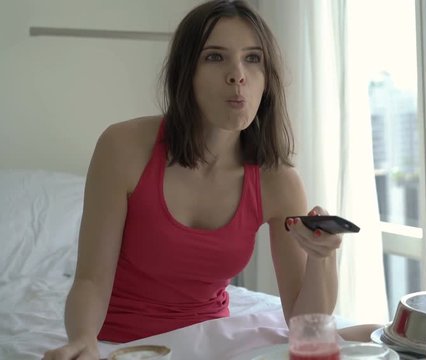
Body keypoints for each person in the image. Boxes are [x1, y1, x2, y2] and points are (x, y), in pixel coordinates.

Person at [43, 1, 378, 359]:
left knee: (373, 334)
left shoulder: (278, 181)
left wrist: (321, 258)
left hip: (212, 340)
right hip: (124, 343)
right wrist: (82, 339)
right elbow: (91, 280)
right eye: (215, 57)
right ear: (186, 72)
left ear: (267, 80)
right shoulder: (123, 147)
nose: (238, 75)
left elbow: (304, 322)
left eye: (253, 59)